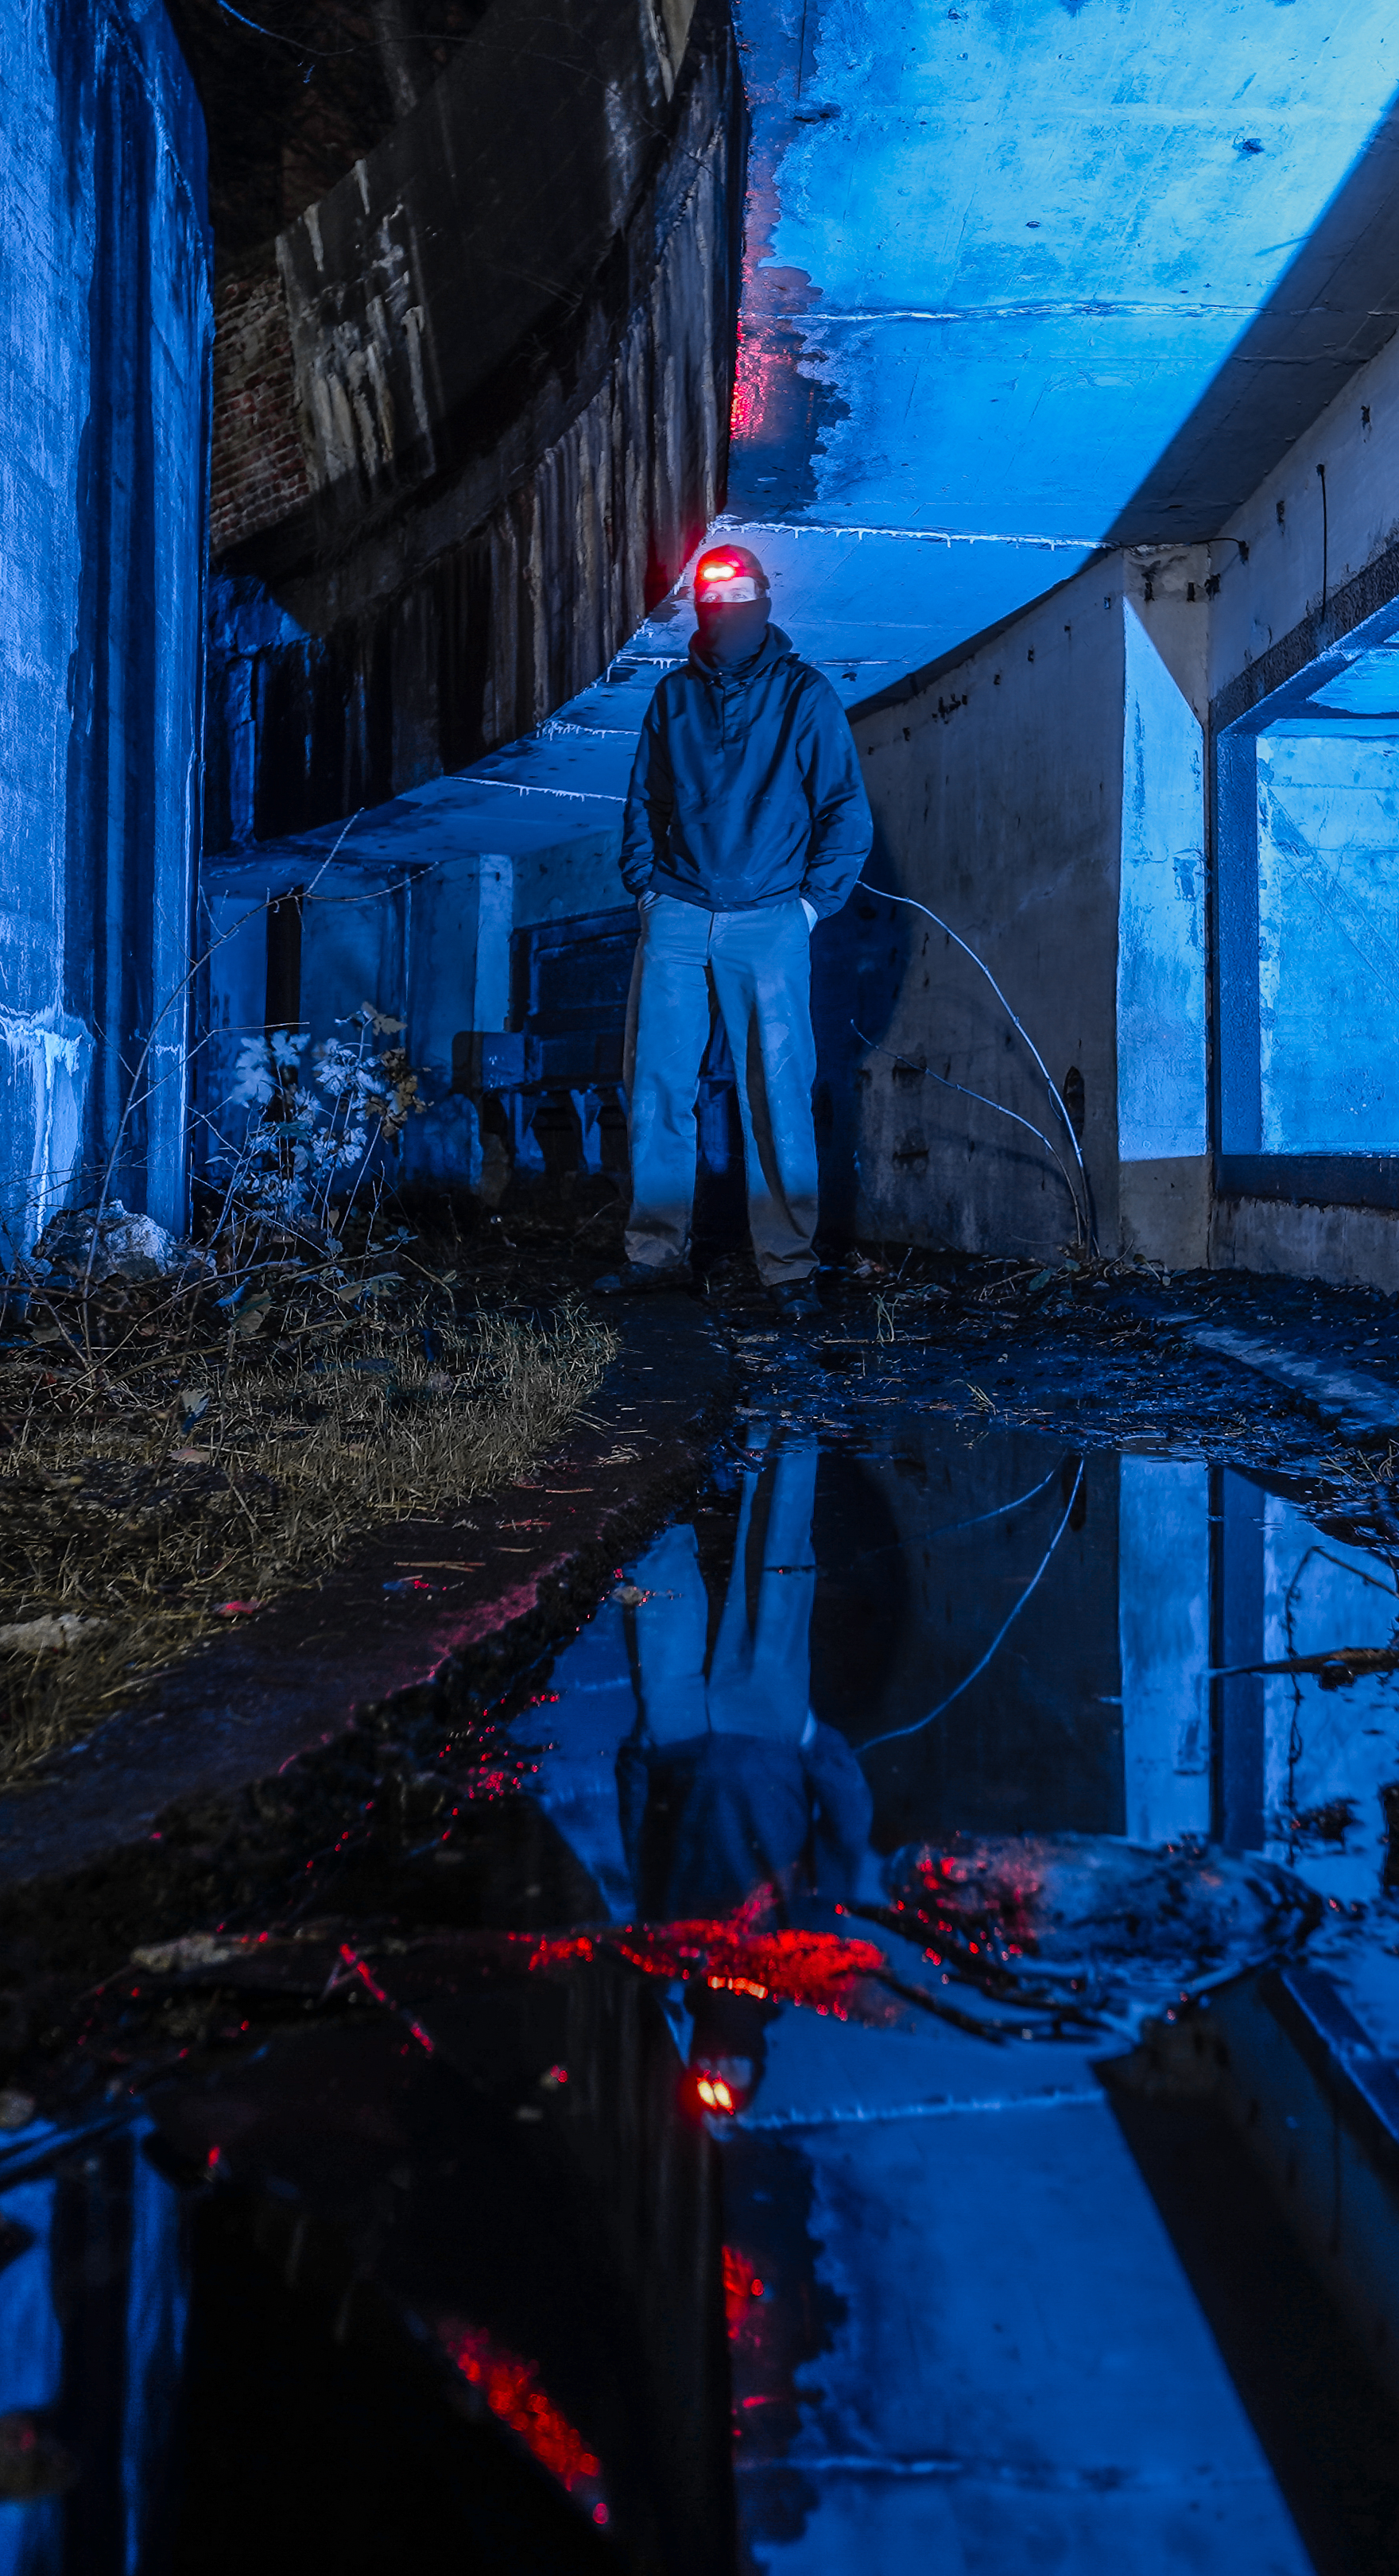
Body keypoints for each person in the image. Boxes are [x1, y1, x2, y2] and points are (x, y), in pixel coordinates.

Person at [612, 540, 870, 1321]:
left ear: (762, 603)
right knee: (656, 1082)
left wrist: (809, 905)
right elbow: (642, 805)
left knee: (777, 1091)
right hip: (680, 912)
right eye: (712, 600)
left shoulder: (805, 696)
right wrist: (648, 893)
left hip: (770, 917)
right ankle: (654, 1254)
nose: (726, 613)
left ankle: (787, 1267)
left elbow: (843, 811)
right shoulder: (672, 701)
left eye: (739, 598)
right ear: (701, 609)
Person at [614, 1427, 870, 2109]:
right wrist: (813, 1739)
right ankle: (788, 1422)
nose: (720, 2066)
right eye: (734, 2076)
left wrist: (640, 1750)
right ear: (757, 2055)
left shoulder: (667, 1951)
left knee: (656, 1587)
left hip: (679, 1743)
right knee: (778, 1573)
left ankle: (646, 1450)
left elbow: (642, 1839)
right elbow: (847, 1834)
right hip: (765, 1739)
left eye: (709, 2077)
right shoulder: (802, 1951)